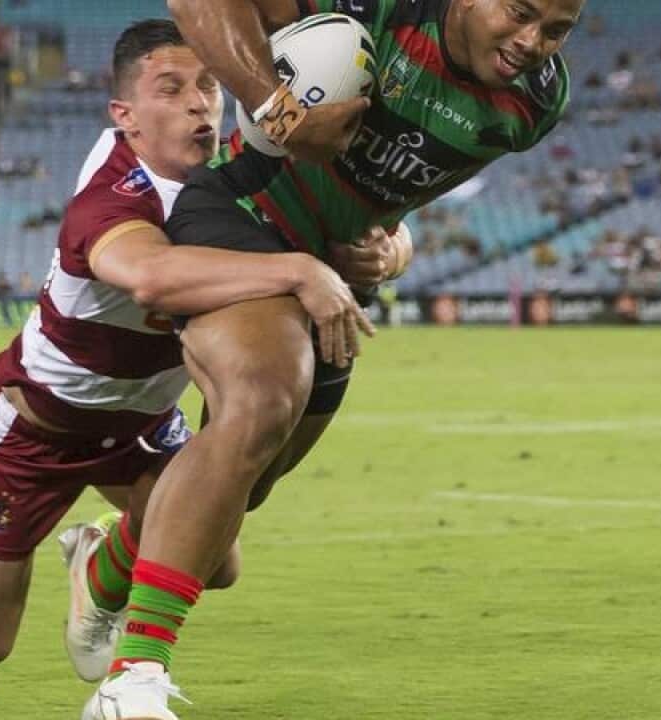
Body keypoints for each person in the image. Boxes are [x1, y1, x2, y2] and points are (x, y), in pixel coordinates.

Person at [77, 0, 581, 717]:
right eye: (519, 13)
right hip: (241, 211)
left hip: (331, 274)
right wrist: (275, 111)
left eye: (556, 30)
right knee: (263, 399)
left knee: (243, 482)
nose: (531, 42)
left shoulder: (533, 102)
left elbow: (402, 198)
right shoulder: (382, 10)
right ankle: (133, 680)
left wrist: (392, 246)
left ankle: (107, 563)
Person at [0, 18, 372, 683]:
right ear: (126, 115)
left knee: (217, 555)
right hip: (32, 430)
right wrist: (299, 270)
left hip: (141, 427)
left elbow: (365, 219)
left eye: (208, 85)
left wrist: (379, 247)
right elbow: (151, 275)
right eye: (170, 88)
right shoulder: (112, 198)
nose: (197, 102)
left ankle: (98, 561)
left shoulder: (234, 177)